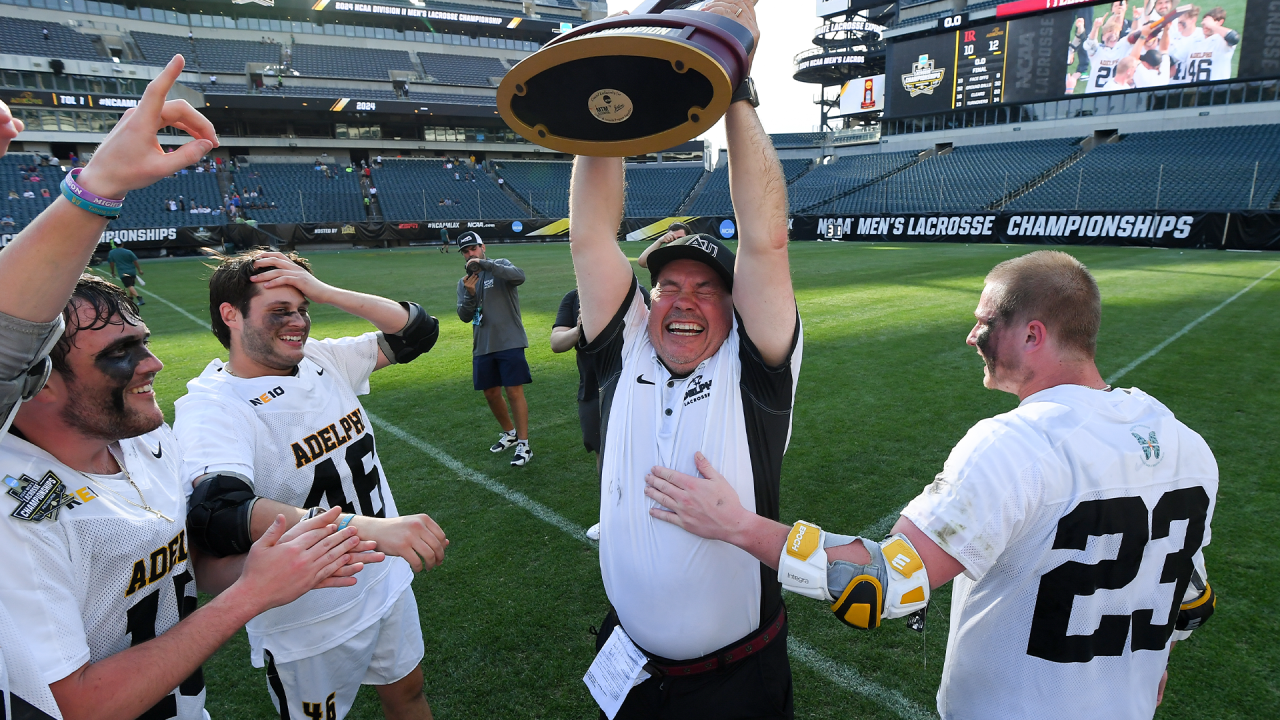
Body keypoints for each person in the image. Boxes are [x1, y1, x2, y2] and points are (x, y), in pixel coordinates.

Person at [644, 250, 1218, 720]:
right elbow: (1190, 601)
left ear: (1033, 334)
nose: (972, 336)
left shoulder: (1014, 446)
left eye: (986, 322)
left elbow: (876, 586)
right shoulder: (1185, 443)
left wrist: (738, 525)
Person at [569, 1, 800, 715]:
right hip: (630, 667)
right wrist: (605, 100)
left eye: (706, 288)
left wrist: (735, 84)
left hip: (734, 685)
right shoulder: (629, 344)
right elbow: (591, 238)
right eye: (668, 285)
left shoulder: (752, 370)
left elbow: (765, 241)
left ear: (734, 309)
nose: (684, 301)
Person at [173, 249, 447, 720]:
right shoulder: (213, 406)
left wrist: (323, 291)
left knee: (409, 695)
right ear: (230, 315)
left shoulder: (321, 359)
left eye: (303, 309)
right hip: (307, 616)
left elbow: (418, 331)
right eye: (280, 311)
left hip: (384, 579)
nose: (298, 322)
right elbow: (218, 511)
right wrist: (366, 529)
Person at [455, 231, 533, 466]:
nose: (470, 254)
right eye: (466, 252)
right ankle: (509, 434)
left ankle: (524, 444)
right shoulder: (464, 282)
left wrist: (485, 265)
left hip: (509, 341)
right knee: (490, 393)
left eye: (473, 249)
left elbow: (519, 277)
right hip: (483, 345)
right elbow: (464, 316)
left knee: (513, 392)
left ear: (483, 247)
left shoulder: (500, 266)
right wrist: (470, 295)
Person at [107, 241, 146, 308]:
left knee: (129, 286)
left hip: (123, 272)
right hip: (132, 271)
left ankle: (139, 298)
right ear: (122, 244)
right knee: (131, 285)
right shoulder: (128, 251)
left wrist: (113, 272)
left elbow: (111, 263)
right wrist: (139, 270)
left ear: (115, 245)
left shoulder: (112, 253)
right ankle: (130, 299)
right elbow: (135, 261)